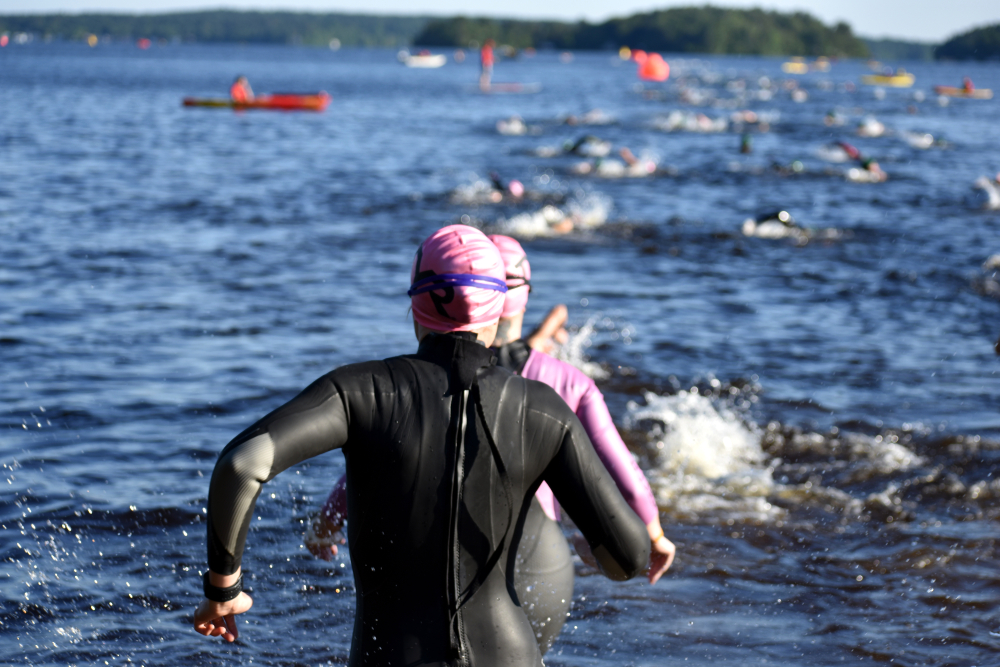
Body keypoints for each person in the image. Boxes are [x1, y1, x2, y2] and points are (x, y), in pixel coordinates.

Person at [193, 225, 650, 667]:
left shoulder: (361, 391)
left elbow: (241, 465)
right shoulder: (542, 409)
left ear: (417, 306)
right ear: (497, 308)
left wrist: (223, 589)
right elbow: (628, 558)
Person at [308, 235, 674, 654]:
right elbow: (620, 465)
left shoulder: (429, 377)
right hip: (541, 561)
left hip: (441, 567)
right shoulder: (567, 383)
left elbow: (379, 459)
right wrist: (654, 531)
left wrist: (328, 522)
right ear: (519, 295)